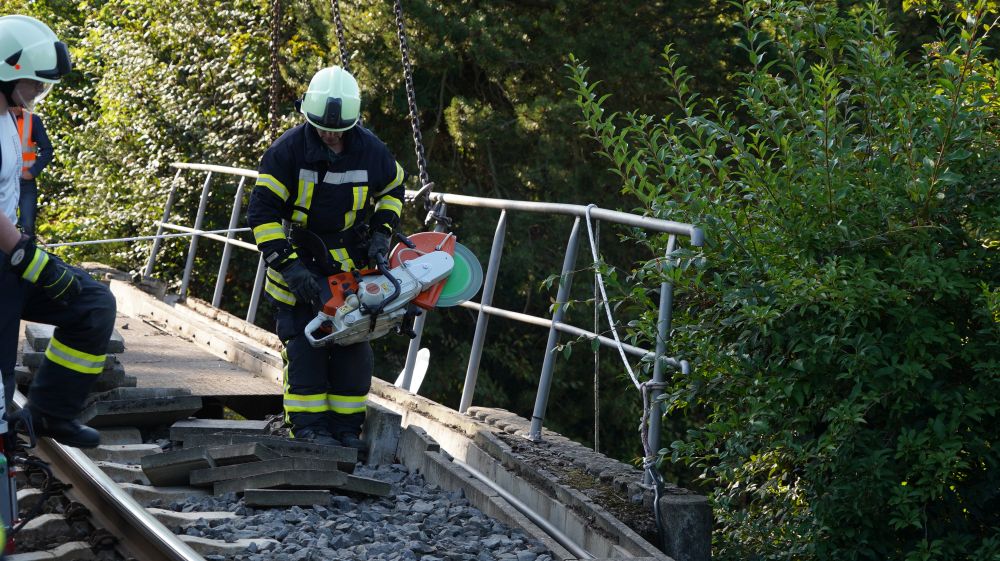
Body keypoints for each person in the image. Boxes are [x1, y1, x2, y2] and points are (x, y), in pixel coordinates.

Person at [247, 66, 405, 452]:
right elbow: (262, 214)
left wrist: (382, 233)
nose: (330, 135)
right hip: (300, 261)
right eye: (322, 128)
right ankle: (308, 432)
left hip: (351, 266)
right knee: (306, 351)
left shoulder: (370, 150)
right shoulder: (286, 152)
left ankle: (346, 431)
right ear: (307, 115)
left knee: (354, 351)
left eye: (338, 130)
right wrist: (290, 267)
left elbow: (393, 188)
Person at [0, 15, 116, 449]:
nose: (37, 91)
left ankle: (51, 411)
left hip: (8, 256)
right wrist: (27, 257)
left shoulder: (10, 116)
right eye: (33, 81)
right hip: (7, 254)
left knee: (92, 304)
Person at [11, 94, 54, 237]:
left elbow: (47, 150)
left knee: (28, 225)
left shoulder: (32, 120)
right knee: (6, 225)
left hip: (25, 182)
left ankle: (27, 249)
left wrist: (33, 171)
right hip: (4, 182)